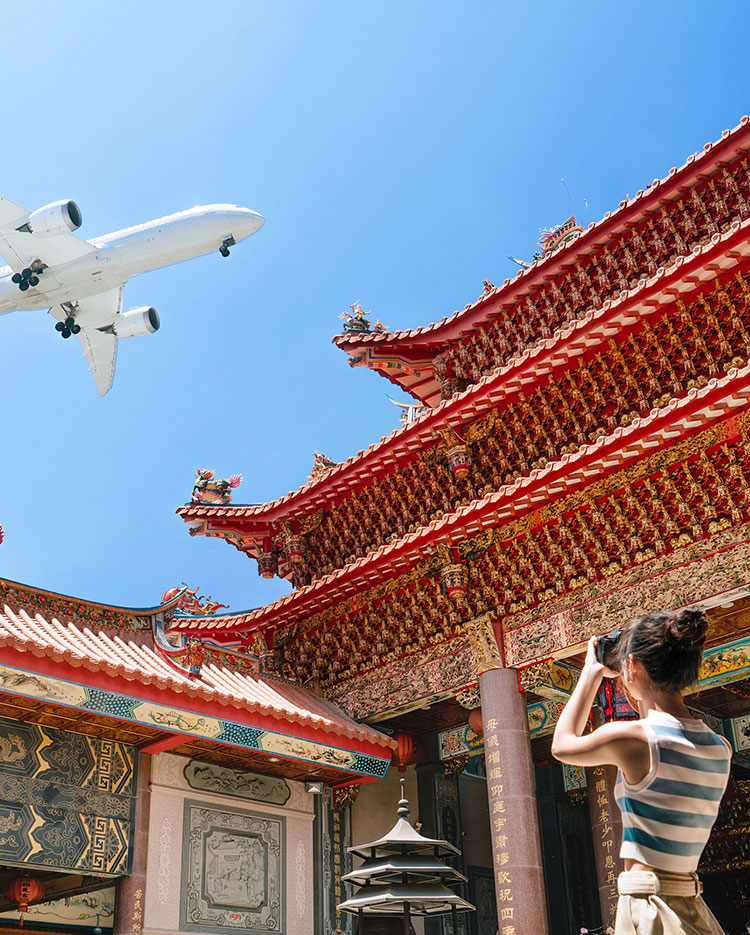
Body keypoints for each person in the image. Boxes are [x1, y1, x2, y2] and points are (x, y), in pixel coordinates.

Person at [552, 608, 732, 935]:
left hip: (648, 906)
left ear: (633, 666)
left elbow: (562, 745)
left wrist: (590, 674)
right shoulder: (720, 747)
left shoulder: (635, 739)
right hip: (693, 906)